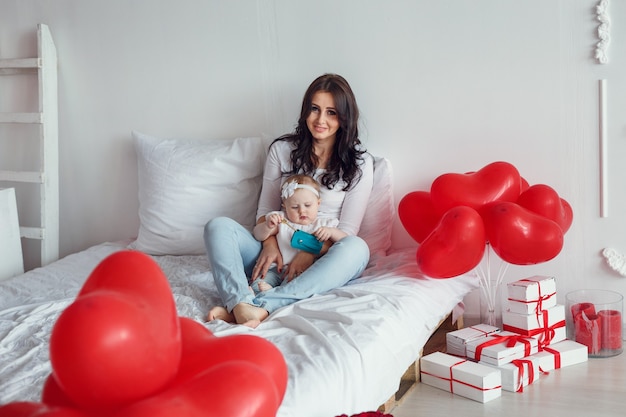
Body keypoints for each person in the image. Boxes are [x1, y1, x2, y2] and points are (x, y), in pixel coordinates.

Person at [204, 73, 374, 328]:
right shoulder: (282, 150)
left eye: (331, 112)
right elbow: (264, 211)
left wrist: (309, 253)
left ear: (345, 118)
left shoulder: (360, 164)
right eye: (315, 109)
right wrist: (270, 245)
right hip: (276, 250)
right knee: (217, 227)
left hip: (323, 259)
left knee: (357, 248)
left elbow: (348, 231)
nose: (320, 120)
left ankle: (261, 306)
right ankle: (238, 301)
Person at [250, 174, 346, 294]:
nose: (302, 211)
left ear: (318, 203)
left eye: (307, 205)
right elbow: (258, 234)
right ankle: (256, 295)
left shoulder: (323, 224)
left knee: (293, 286)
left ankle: (274, 293)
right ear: (285, 207)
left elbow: (346, 242)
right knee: (259, 282)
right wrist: (267, 226)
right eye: (295, 207)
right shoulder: (281, 220)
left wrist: (331, 232)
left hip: (302, 271)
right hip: (276, 268)